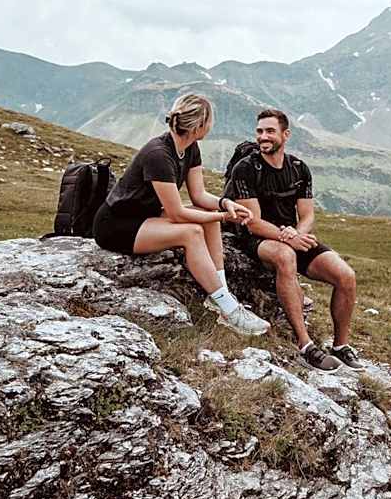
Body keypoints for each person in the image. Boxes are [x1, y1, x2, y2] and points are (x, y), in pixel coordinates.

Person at [93, 93, 270, 336]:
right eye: (210, 121)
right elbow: (176, 214)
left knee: (207, 215)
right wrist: (223, 218)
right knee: (192, 232)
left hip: (146, 217)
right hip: (117, 225)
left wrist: (224, 204)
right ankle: (230, 310)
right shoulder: (158, 154)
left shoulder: (190, 147)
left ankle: (221, 295)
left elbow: (199, 196)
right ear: (198, 125)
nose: (211, 126)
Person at [228, 108, 364, 372]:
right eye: (259, 131)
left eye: (270, 131)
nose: (263, 137)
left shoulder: (299, 169)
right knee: (285, 256)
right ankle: (305, 344)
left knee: (346, 276)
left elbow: (308, 214)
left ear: (285, 135)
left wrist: (298, 234)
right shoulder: (245, 168)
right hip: (257, 238)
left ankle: (341, 346)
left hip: (292, 236)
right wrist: (286, 237)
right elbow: (252, 222)